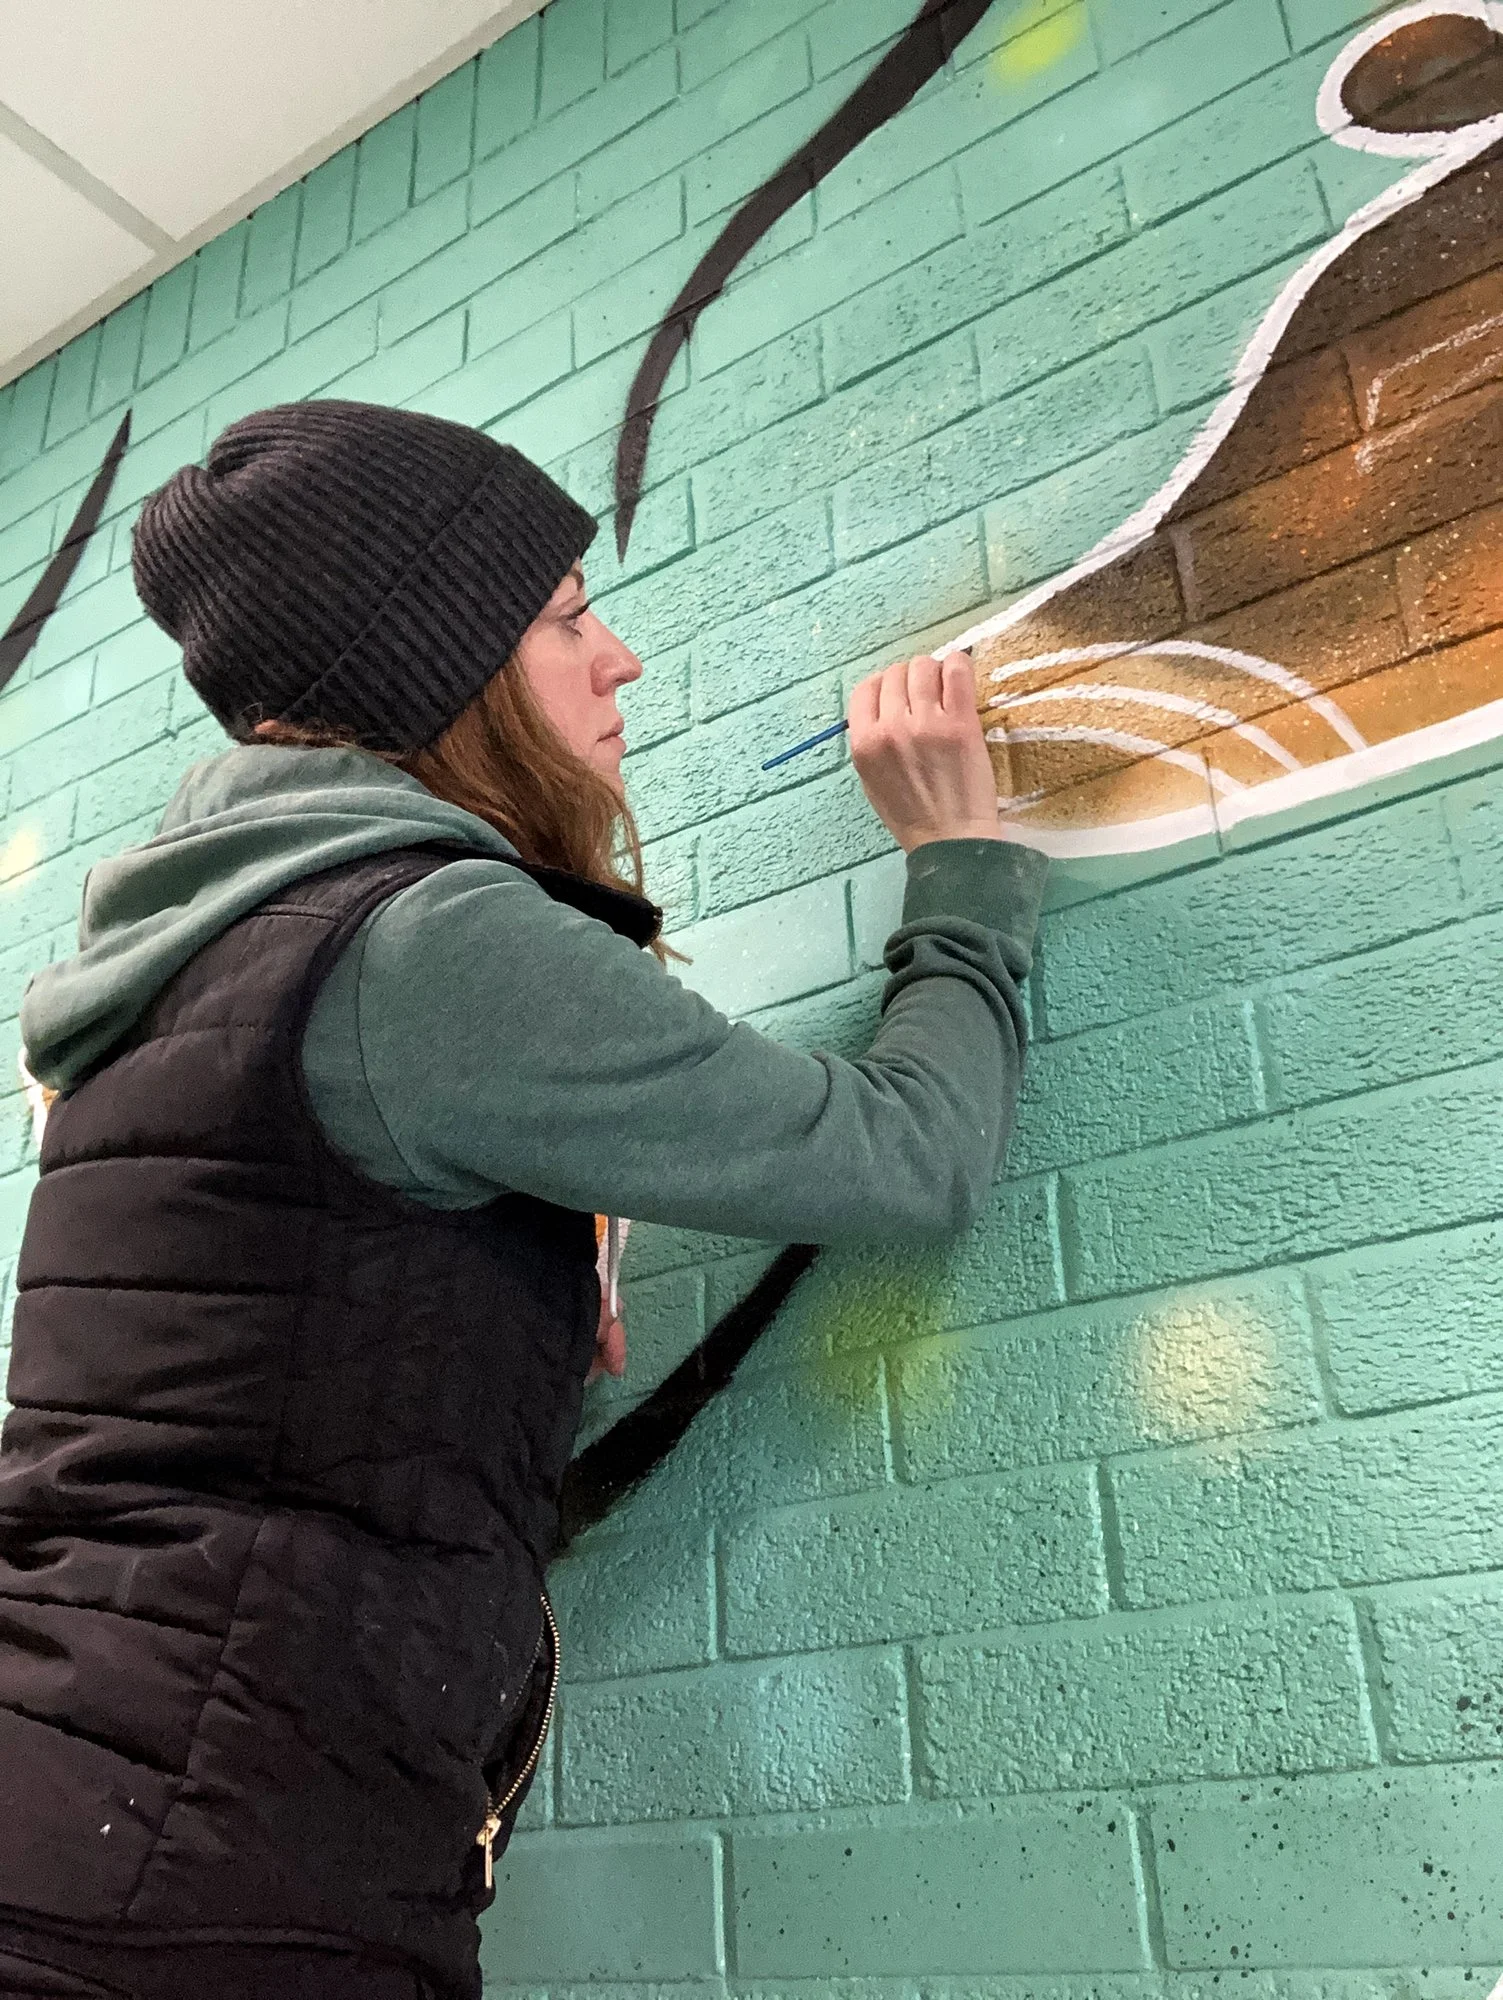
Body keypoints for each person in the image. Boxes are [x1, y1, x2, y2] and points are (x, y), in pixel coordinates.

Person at [0, 400, 1046, 2000]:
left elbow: (271, 1366)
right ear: (440, 669)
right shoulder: (426, 941)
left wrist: (528, 1276)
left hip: (94, 1810)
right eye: (564, 619)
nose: (619, 659)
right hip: (199, 1881)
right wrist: (960, 868)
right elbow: (910, 1158)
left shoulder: (186, 969)